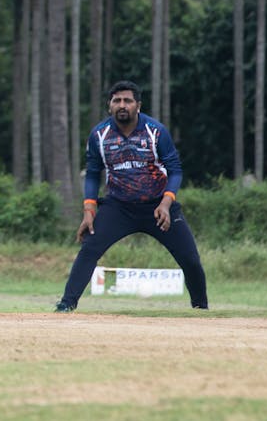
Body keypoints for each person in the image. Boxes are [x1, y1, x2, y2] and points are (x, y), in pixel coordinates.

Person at [55, 80, 208, 312]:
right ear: (110, 106)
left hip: (159, 207)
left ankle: (201, 308)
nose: (122, 105)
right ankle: (66, 305)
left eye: (128, 100)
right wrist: (89, 210)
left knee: (190, 259)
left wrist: (167, 203)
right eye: (117, 101)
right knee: (89, 248)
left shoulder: (155, 131)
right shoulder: (100, 134)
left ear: (138, 105)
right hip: (119, 207)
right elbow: (93, 173)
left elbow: (175, 170)